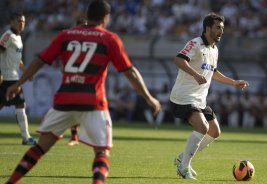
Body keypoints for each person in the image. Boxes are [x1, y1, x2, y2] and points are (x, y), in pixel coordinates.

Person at [5, 1, 161, 184]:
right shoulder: (109, 38)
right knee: (102, 152)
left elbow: (40, 60)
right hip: (93, 102)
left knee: (39, 148)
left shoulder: (66, 35)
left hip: (64, 100)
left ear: (86, 16)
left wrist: (18, 83)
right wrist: (149, 97)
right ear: (106, 18)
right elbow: (130, 72)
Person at [170, 13, 249, 180]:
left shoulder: (214, 49)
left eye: (222, 28)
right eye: (218, 28)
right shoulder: (195, 44)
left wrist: (234, 82)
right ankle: (183, 168)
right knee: (203, 128)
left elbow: (213, 72)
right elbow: (178, 60)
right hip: (184, 97)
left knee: (215, 131)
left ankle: (182, 158)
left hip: (199, 99)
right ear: (207, 29)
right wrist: (196, 74)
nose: (221, 31)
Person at [0, 12, 36, 145]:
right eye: (19, 21)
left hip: (13, 76)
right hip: (7, 78)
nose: (22, 24)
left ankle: (26, 137)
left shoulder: (18, 38)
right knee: (20, 104)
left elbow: (17, 59)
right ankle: (26, 138)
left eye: (23, 22)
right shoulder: (7, 35)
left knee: (18, 104)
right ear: (12, 22)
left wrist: (27, 72)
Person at [67, 16, 88, 146]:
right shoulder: (71, 39)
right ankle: (74, 136)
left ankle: (83, 136)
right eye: (82, 25)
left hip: (88, 78)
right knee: (72, 107)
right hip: (73, 77)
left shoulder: (92, 40)